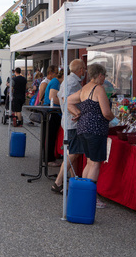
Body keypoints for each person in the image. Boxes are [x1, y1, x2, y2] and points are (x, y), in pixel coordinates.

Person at [68, 63, 115, 209]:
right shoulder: (98, 89)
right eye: (104, 76)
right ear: (100, 75)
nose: (104, 79)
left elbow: (68, 100)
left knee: (89, 162)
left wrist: (76, 113)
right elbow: (106, 112)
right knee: (95, 163)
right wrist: (114, 118)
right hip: (96, 130)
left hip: (82, 128)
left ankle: (84, 193)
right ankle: (91, 197)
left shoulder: (84, 88)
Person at [52, 59, 86, 194]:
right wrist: (76, 112)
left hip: (69, 121)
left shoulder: (69, 80)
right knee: (73, 153)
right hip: (72, 121)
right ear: (80, 70)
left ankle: (73, 179)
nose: (85, 71)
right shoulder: (72, 82)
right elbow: (66, 101)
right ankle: (58, 182)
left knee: (73, 152)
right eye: (84, 68)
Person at [43, 69, 64, 167]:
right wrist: (65, 104)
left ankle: (49, 157)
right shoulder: (56, 82)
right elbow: (53, 97)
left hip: (53, 112)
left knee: (50, 136)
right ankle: (49, 159)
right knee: (50, 136)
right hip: (52, 112)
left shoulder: (55, 82)